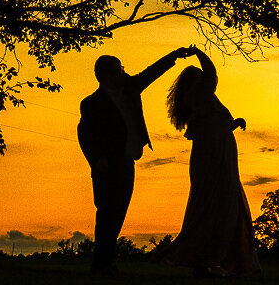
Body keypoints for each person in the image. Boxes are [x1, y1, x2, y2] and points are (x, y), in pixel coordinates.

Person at [78, 46, 193, 274]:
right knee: (106, 214)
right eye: (119, 69)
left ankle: (105, 263)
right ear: (107, 75)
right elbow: (85, 134)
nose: (124, 72)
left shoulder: (130, 89)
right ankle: (101, 264)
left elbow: (150, 73)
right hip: (106, 167)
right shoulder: (91, 103)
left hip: (127, 164)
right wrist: (97, 159)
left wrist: (173, 56)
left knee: (118, 213)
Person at [165, 45, 261, 276]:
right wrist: (198, 52)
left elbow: (212, 124)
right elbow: (211, 72)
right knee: (217, 204)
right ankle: (207, 259)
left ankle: (213, 259)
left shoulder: (203, 101)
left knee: (220, 204)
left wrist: (233, 123)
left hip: (218, 155)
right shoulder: (199, 95)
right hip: (214, 157)